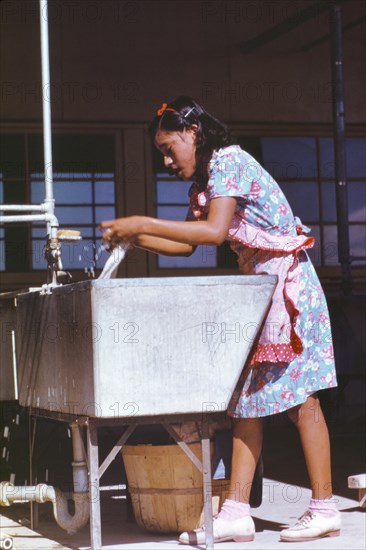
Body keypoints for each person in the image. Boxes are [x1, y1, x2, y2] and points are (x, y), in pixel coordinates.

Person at [100, 96, 340, 544]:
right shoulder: (206, 184)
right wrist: (140, 238)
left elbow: (211, 232)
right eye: (162, 155)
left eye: (170, 148)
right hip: (260, 295)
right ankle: (235, 511)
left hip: (289, 291)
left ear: (193, 134)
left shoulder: (229, 161)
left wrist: (139, 219)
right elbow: (187, 246)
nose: (168, 161)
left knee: (301, 400)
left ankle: (324, 507)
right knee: (246, 403)